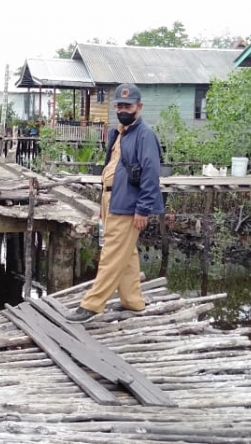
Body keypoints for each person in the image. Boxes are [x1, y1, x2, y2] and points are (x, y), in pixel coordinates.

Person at [65, 83, 164, 323]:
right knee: (126, 253)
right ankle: (133, 301)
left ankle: (92, 305)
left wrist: (143, 208)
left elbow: (151, 174)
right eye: (119, 105)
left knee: (111, 254)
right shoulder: (119, 133)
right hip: (111, 198)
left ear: (138, 107)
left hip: (128, 204)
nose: (122, 109)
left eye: (127, 106)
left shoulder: (144, 135)